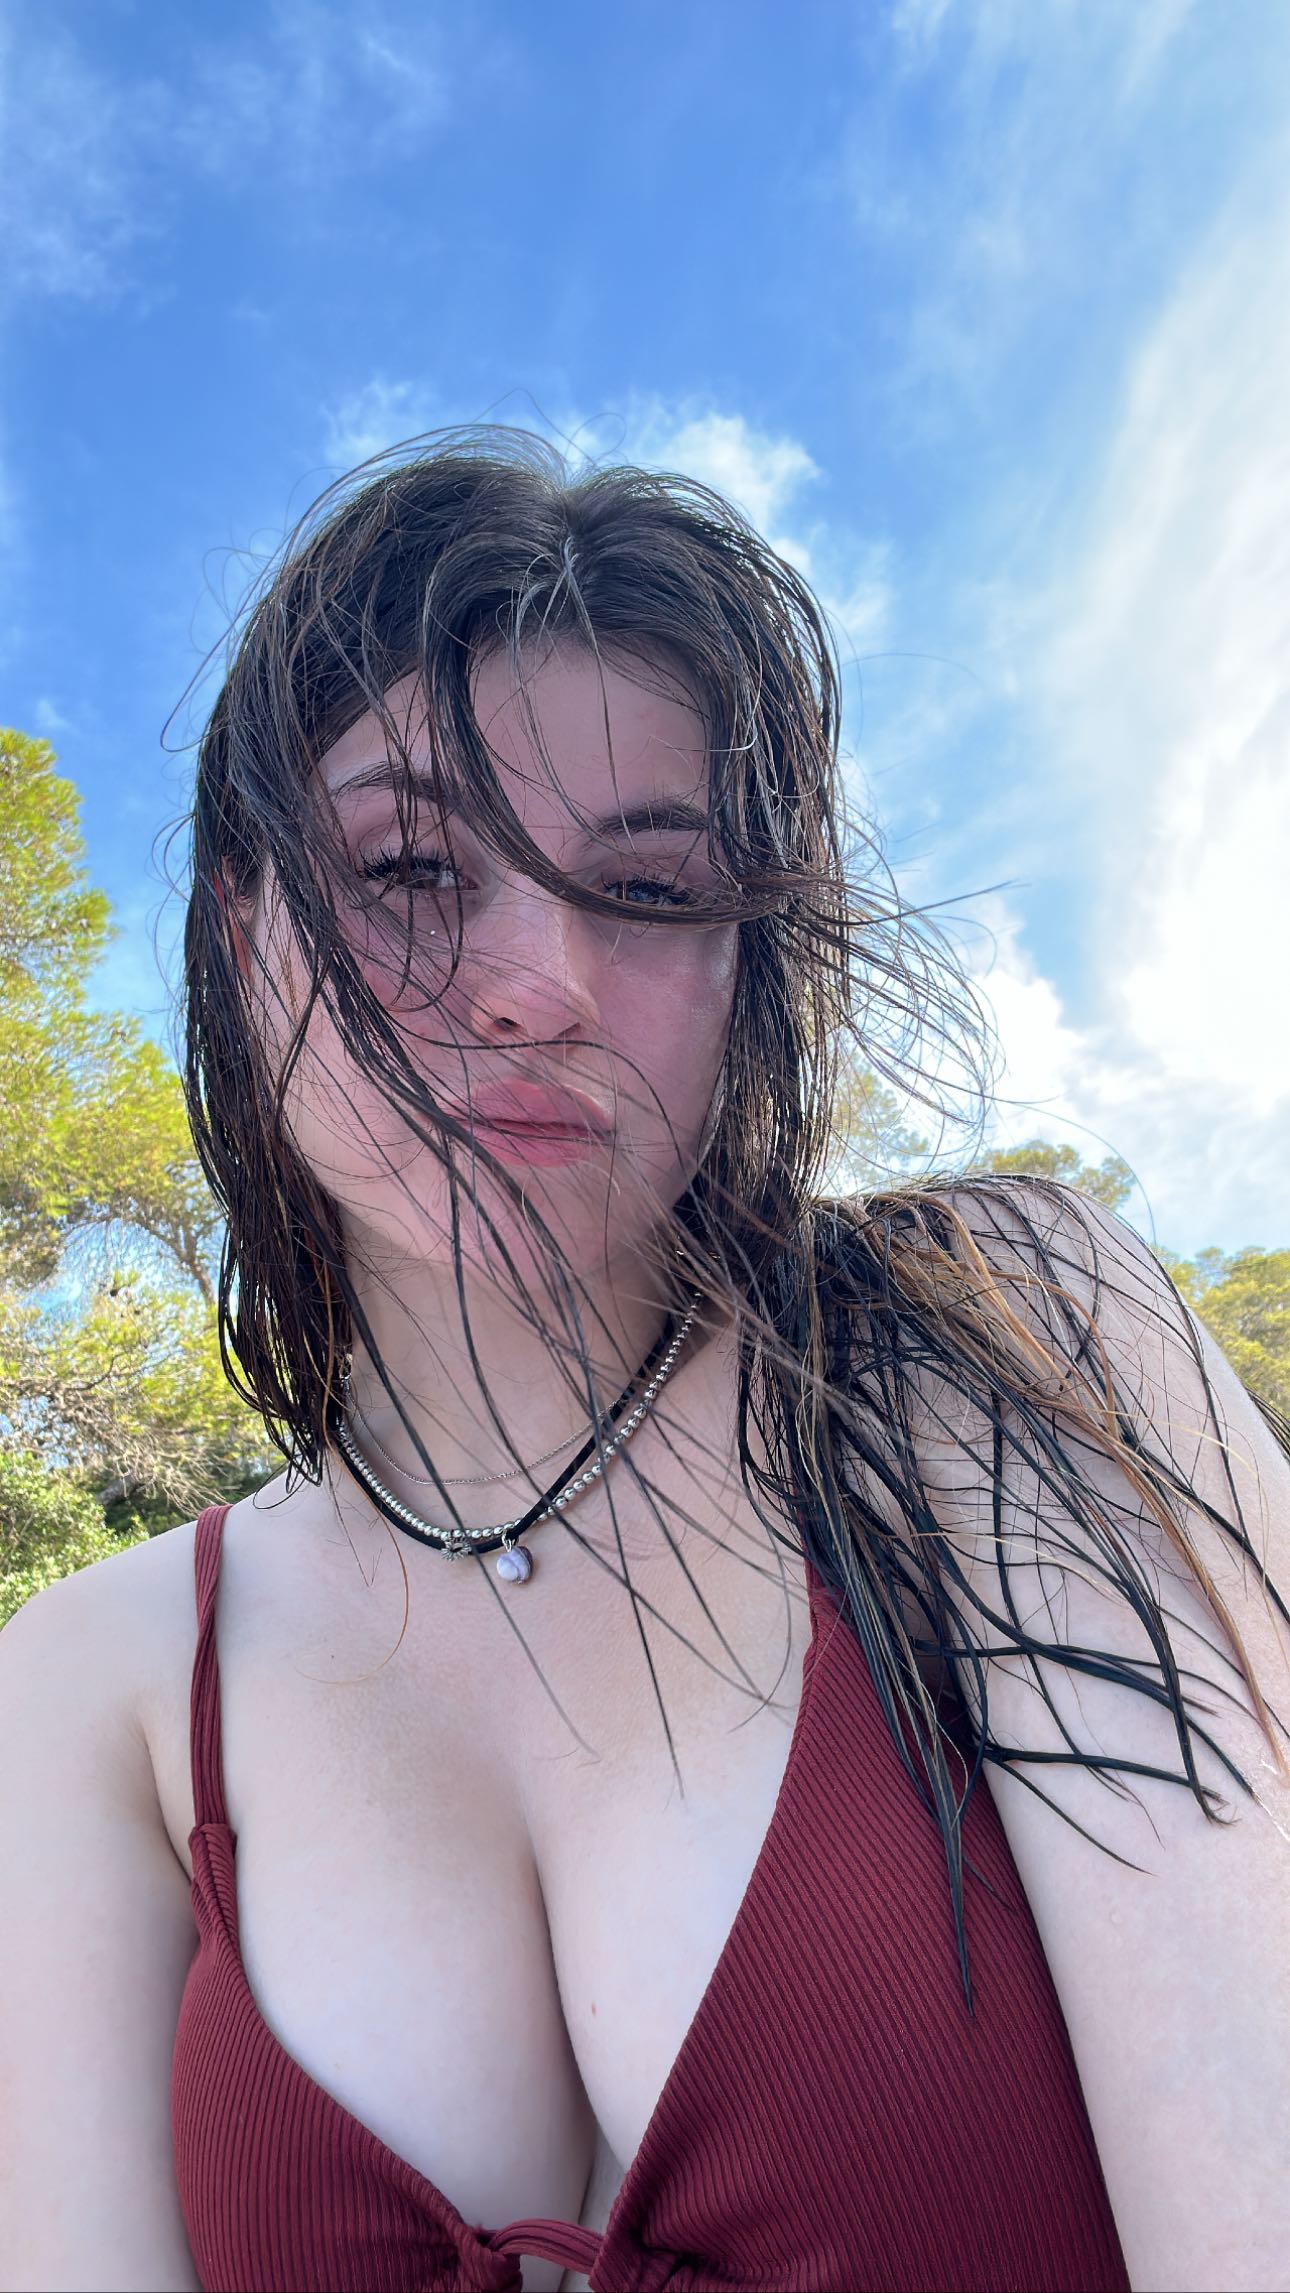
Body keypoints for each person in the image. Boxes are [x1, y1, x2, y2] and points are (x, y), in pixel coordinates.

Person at [2, 431, 1288, 2293]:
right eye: (411, 864)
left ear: (744, 962)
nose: (544, 981)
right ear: (240, 920)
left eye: (652, 888)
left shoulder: (992, 1349)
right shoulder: (88, 1681)